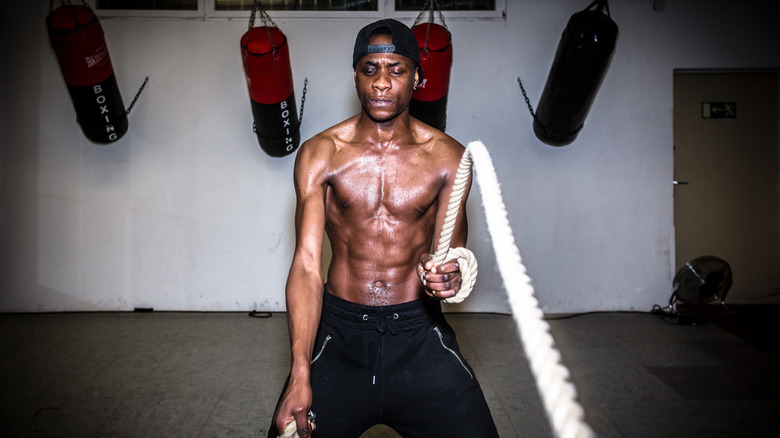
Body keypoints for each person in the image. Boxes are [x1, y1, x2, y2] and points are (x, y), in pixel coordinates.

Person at [267, 18, 499, 438]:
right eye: (370, 69)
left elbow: (452, 251)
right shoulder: (321, 154)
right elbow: (306, 265)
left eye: (396, 69)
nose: (381, 83)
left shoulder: (450, 159)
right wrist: (300, 370)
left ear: (418, 77)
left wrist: (448, 275)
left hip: (420, 335)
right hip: (338, 336)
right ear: (355, 75)